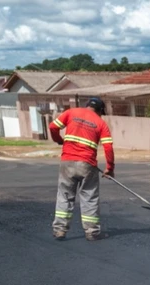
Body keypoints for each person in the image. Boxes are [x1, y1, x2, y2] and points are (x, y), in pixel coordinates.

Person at [48, 96, 114, 241]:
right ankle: (92, 232)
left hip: (67, 161)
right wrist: (110, 168)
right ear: (100, 110)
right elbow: (108, 147)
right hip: (87, 164)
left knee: (64, 195)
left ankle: (59, 230)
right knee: (89, 197)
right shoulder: (100, 123)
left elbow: (53, 127)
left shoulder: (71, 112)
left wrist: (59, 140)